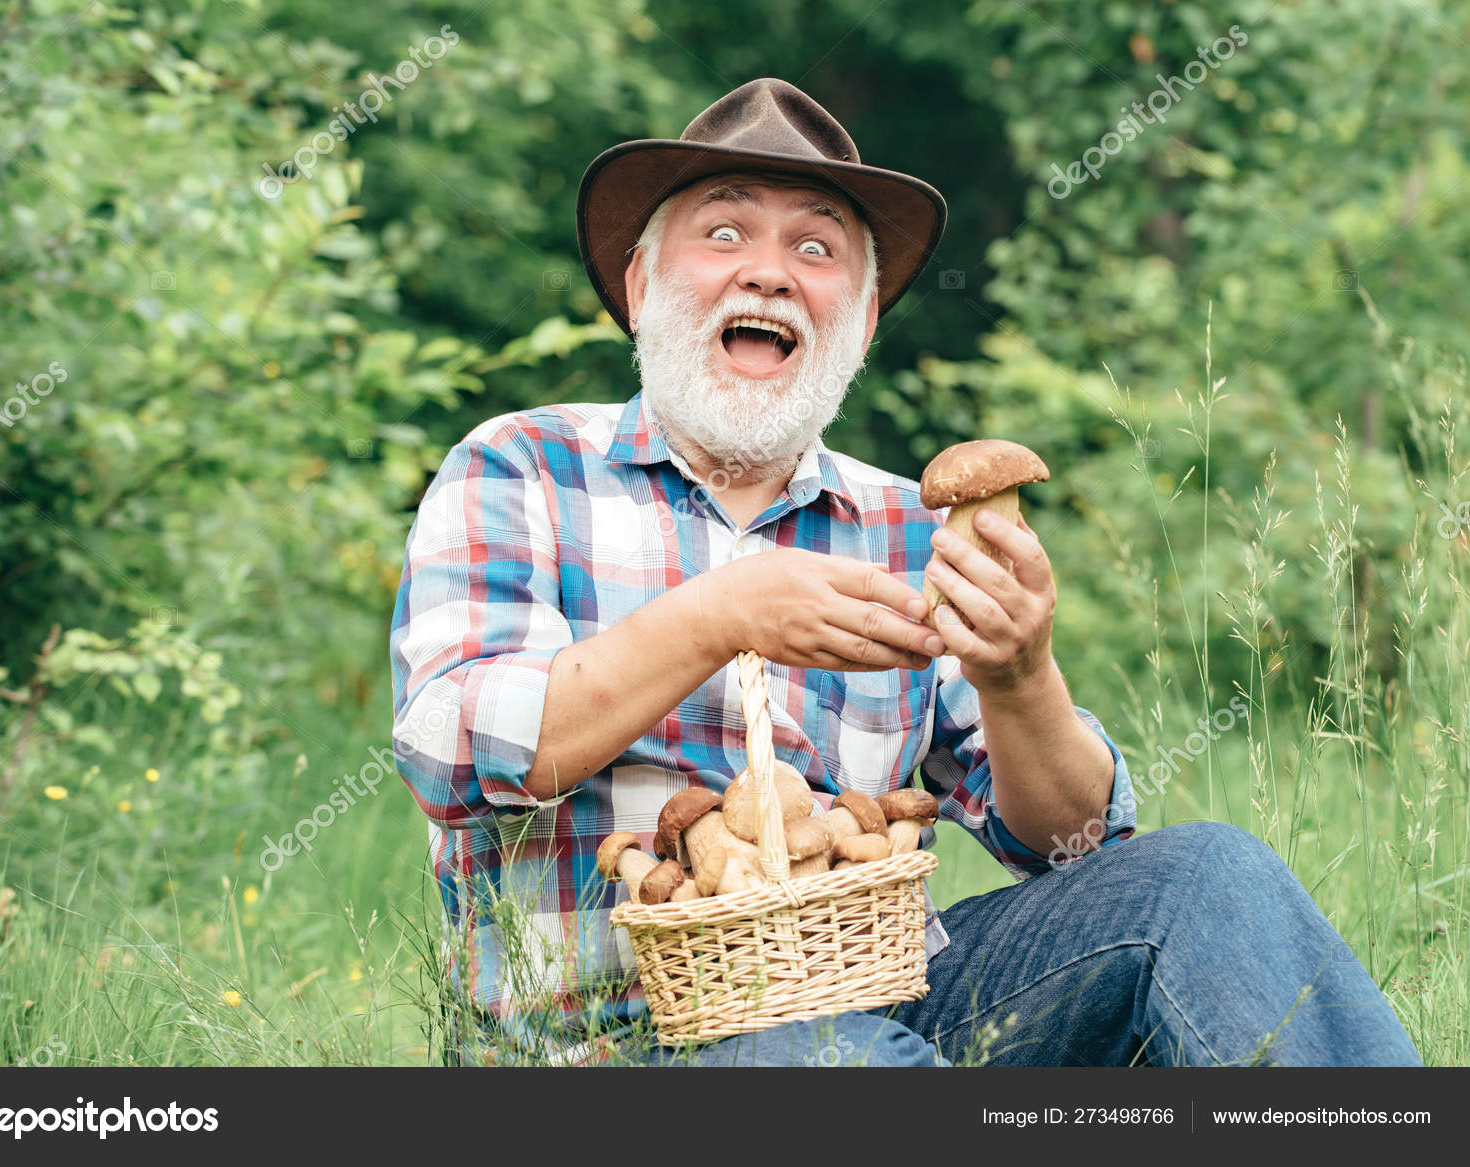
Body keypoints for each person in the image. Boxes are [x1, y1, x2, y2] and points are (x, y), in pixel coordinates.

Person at [388, 78, 1421, 1067]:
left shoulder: (910, 524)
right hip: (612, 1053)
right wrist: (718, 617)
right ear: (643, 284)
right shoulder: (520, 467)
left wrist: (1020, 678)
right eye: (723, 231)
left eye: (815, 247)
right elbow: (443, 751)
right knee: (813, 1049)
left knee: (1203, 878)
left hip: (894, 1004)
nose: (768, 270)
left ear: (862, 322)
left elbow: (1066, 850)